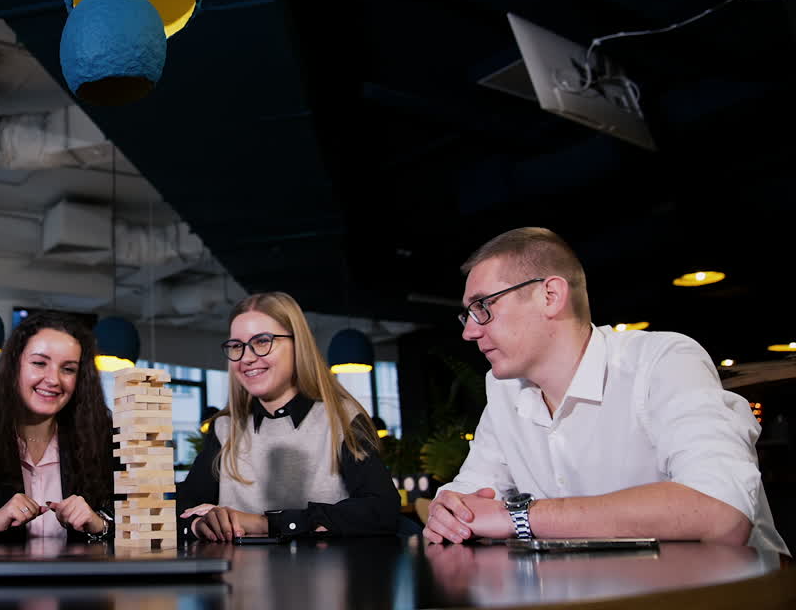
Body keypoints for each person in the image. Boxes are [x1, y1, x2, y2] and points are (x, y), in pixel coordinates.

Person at [425, 227, 788, 555]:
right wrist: (449, 510)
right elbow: (467, 500)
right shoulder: (503, 390)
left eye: (483, 307)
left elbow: (721, 513)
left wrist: (520, 517)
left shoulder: (662, 361)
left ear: (550, 295)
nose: (469, 332)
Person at [177, 291, 400, 541]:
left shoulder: (341, 418)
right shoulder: (224, 428)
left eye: (262, 341)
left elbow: (383, 511)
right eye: (237, 346)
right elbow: (179, 512)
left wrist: (264, 524)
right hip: (240, 578)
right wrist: (199, 524)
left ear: (298, 345)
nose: (247, 358)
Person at [0, 311, 115, 541]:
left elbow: (135, 520)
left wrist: (100, 524)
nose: (53, 379)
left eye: (68, 369)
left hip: (79, 576)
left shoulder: (100, 436)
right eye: (39, 363)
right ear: (14, 366)